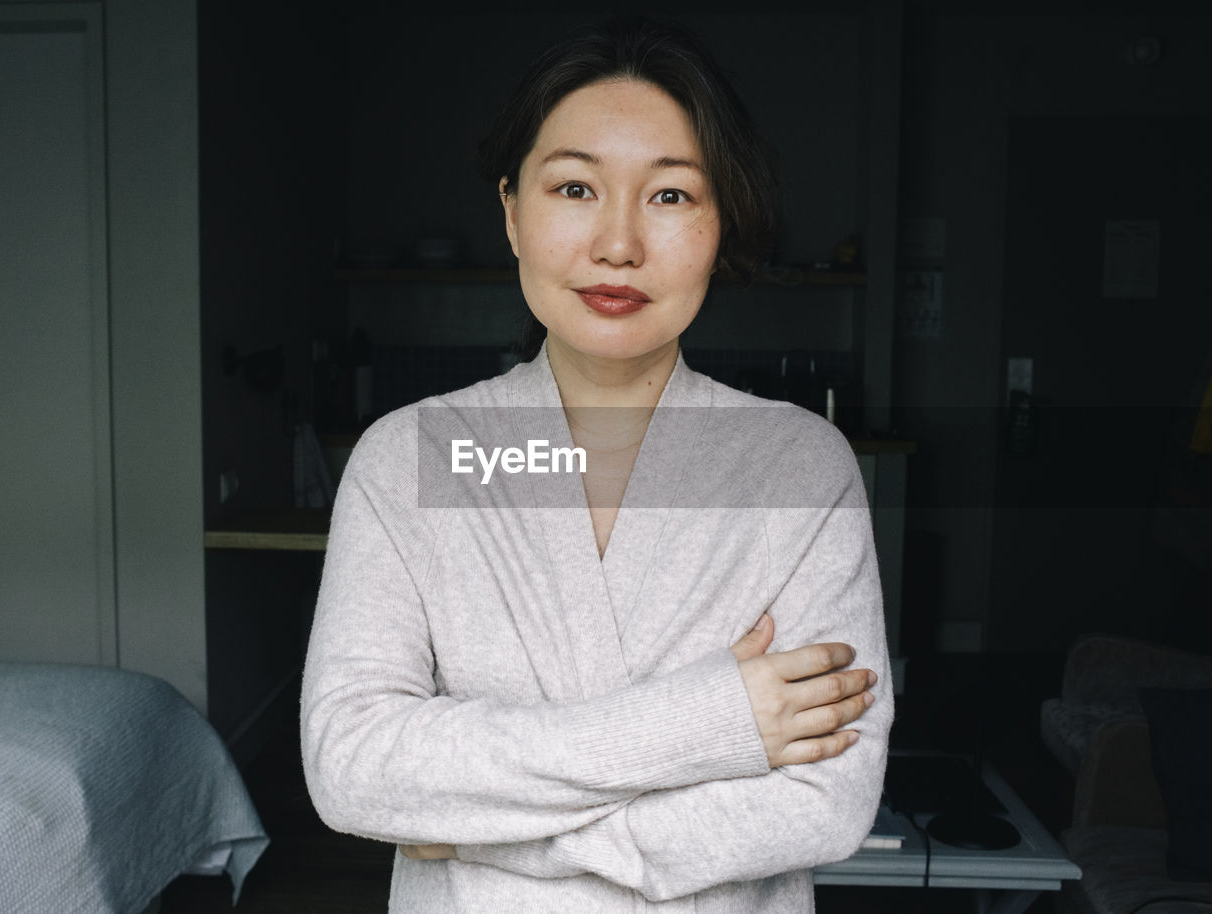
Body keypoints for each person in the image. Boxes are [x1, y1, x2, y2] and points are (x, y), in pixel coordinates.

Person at [301, 17, 893, 913]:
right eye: (575, 187)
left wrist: (467, 823)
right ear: (511, 212)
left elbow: (827, 803)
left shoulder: (799, 470)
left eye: (670, 197)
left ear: (720, 222)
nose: (618, 244)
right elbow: (353, 768)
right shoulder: (408, 462)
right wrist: (710, 723)